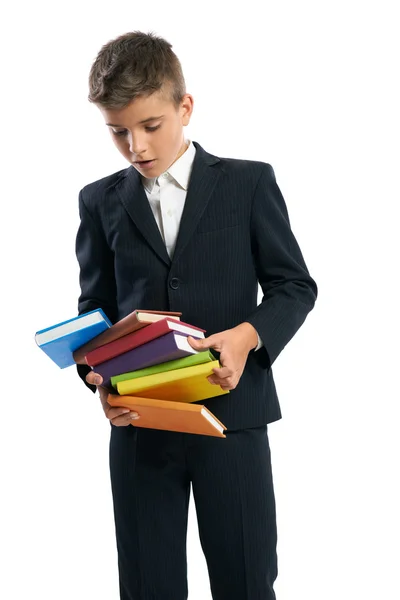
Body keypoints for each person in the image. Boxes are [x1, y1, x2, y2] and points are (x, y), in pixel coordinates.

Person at [75, 30, 318, 600]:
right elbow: (94, 312)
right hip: (140, 427)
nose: (135, 145)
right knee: (147, 587)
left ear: (185, 107)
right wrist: (97, 384)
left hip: (234, 421)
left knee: (246, 582)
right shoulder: (98, 200)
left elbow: (294, 286)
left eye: (150, 126)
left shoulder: (249, 182)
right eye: (118, 131)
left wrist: (249, 336)